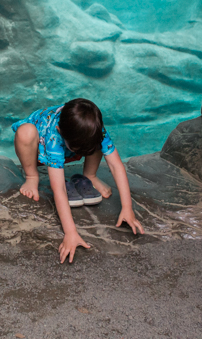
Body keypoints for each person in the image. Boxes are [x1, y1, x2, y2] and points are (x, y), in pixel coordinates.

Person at [12, 98, 144, 263]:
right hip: (38, 148)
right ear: (60, 130)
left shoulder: (95, 130)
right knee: (26, 132)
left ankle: (90, 175)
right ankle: (32, 175)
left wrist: (127, 207)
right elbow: (59, 189)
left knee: (95, 141)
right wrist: (70, 233)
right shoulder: (54, 136)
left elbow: (116, 166)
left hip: (72, 145)